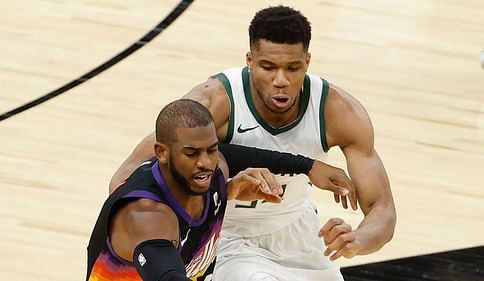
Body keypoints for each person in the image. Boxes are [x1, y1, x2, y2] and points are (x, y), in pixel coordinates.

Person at [109, 5, 396, 281]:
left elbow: (382, 210)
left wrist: (358, 239)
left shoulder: (338, 111)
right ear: (249, 61)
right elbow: (125, 180)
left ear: (307, 62)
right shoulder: (215, 101)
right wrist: (218, 197)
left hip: (299, 231)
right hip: (227, 235)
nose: (281, 80)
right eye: (268, 67)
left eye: (293, 68)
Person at [87, 99, 356, 281]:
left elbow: (233, 154)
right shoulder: (146, 217)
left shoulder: (210, 172)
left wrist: (307, 166)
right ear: (162, 153)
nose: (205, 162)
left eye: (211, 149)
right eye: (191, 153)